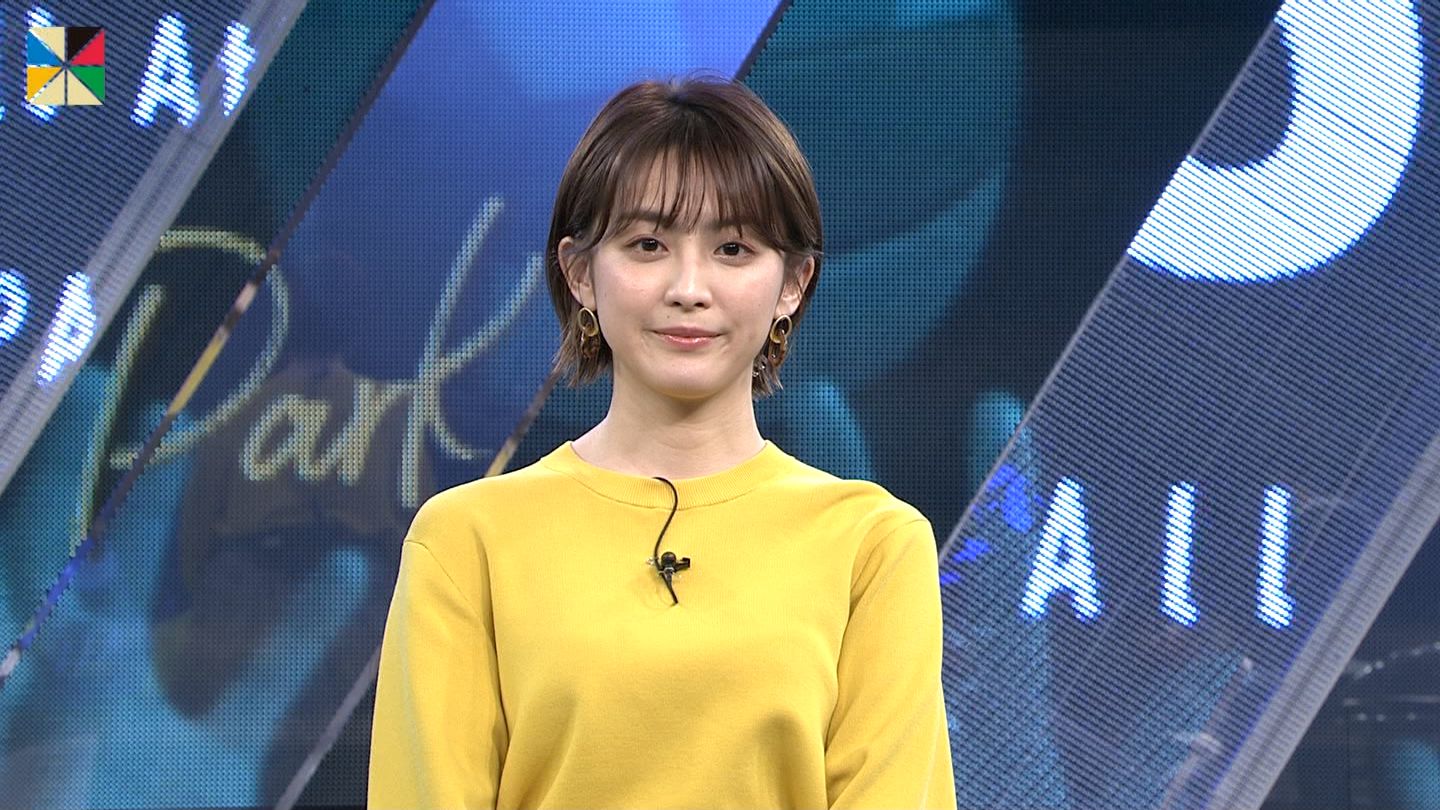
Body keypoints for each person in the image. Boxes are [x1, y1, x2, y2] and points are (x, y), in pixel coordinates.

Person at [368, 72, 956, 809]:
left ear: (793, 283)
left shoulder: (873, 545)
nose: (689, 287)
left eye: (733, 249)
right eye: (648, 244)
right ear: (579, 273)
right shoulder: (467, 540)